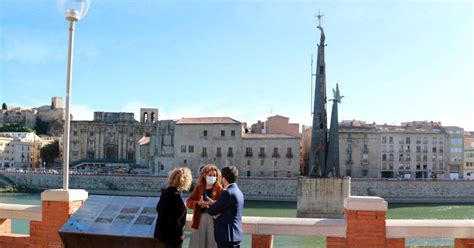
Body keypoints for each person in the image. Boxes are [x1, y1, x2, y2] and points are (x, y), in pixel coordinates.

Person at [186, 164, 223, 248]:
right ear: (204, 176)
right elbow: (188, 202)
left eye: (214, 175)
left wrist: (214, 203)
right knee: (197, 244)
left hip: (213, 221)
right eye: (210, 175)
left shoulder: (219, 188)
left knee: (212, 244)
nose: (212, 177)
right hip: (199, 219)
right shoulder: (199, 188)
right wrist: (198, 203)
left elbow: (223, 205)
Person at [154, 167, 193, 248]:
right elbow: (177, 220)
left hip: (162, 234)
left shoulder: (166, 192)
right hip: (172, 237)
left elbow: (158, 208)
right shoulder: (176, 197)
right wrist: (181, 235)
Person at [207, 166, 244, 248]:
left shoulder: (227, 193)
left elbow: (212, 211)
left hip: (226, 237)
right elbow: (227, 208)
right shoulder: (239, 192)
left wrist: (208, 204)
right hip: (235, 236)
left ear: (223, 179)